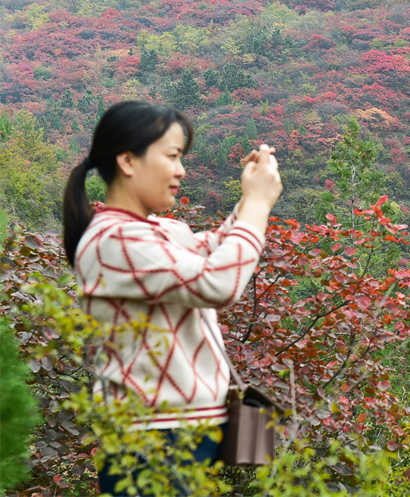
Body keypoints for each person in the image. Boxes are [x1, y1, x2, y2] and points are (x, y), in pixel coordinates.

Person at [62, 101, 282, 495]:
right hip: (152, 439)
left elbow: (217, 249)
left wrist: (251, 199)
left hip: (185, 431)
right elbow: (219, 284)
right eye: (172, 156)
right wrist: (258, 207)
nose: (181, 170)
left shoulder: (159, 231)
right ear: (128, 161)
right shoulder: (114, 240)